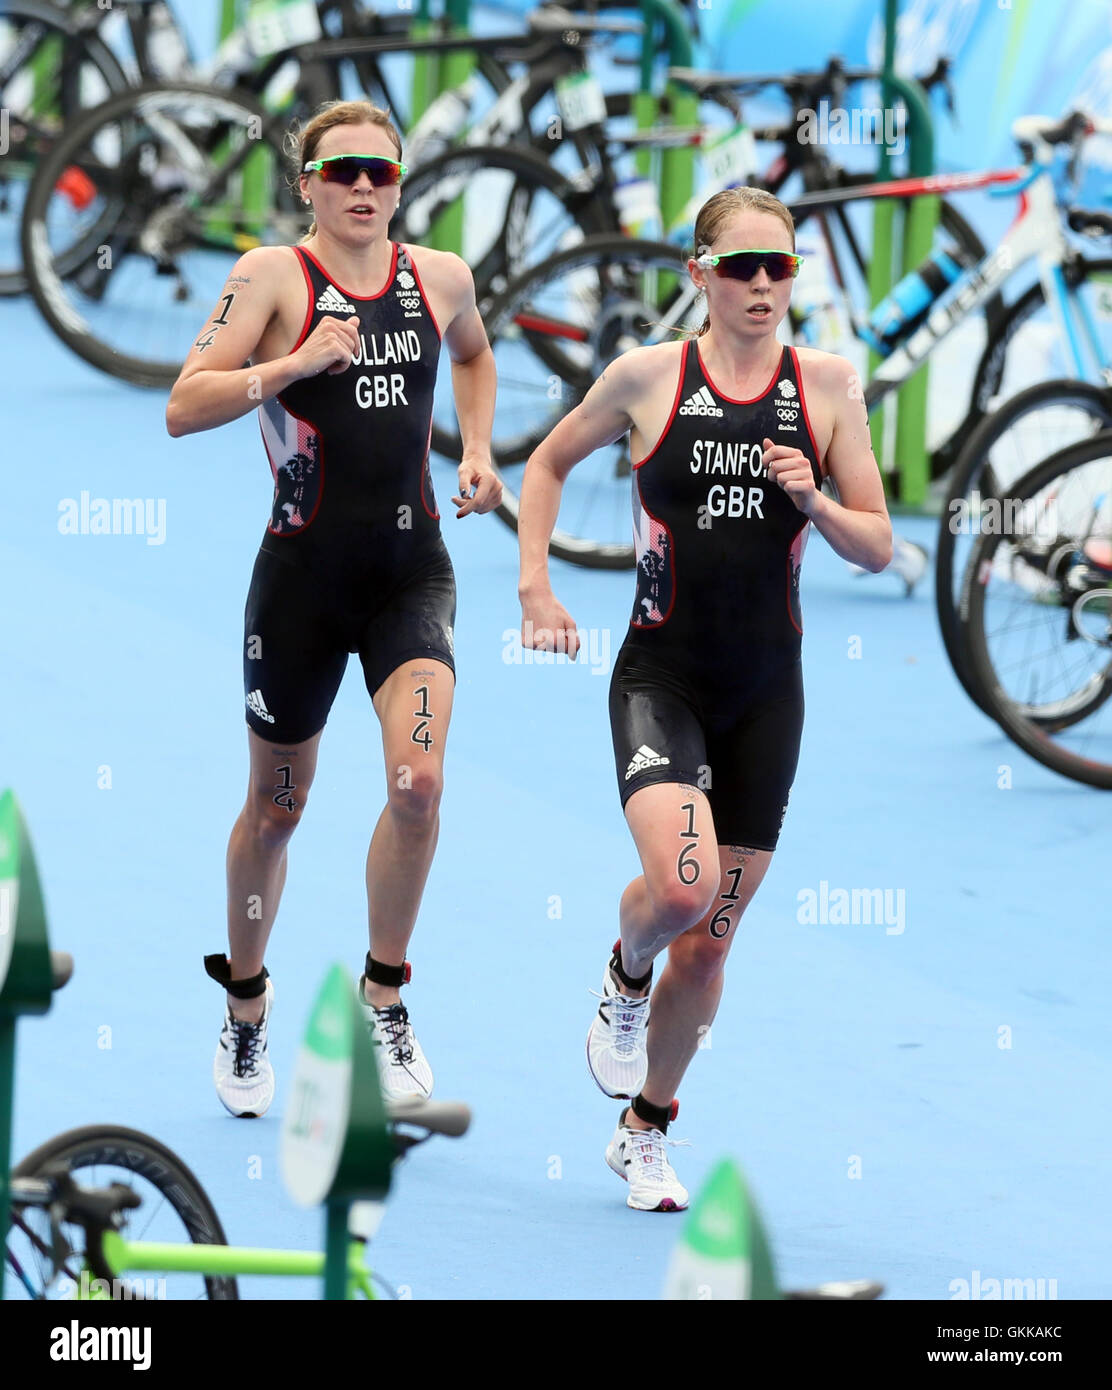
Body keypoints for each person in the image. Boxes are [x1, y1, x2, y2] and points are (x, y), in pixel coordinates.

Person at [516, 187, 892, 1211]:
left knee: (713, 939)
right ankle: (621, 970)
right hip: (660, 678)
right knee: (680, 891)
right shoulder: (645, 378)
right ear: (700, 275)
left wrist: (812, 495)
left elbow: (878, 544)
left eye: (780, 267)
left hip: (767, 695)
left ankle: (646, 1128)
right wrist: (534, 586)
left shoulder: (822, 389)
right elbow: (544, 464)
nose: (763, 285)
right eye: (741, 267)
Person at [165, 100, 499, 1117]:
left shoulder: (439, 278)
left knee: (419, 784)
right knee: (277, 810)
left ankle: (384, 996)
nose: (363, 186)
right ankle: (247, 1004)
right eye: (341, 169)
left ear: (401, 184)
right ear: (306, 182)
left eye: (381, 172)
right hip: (300, 586)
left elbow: (477, 357)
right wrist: (292, 363)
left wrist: (477, 449)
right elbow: (185, 403)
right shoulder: (269, 276)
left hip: (410, 576)